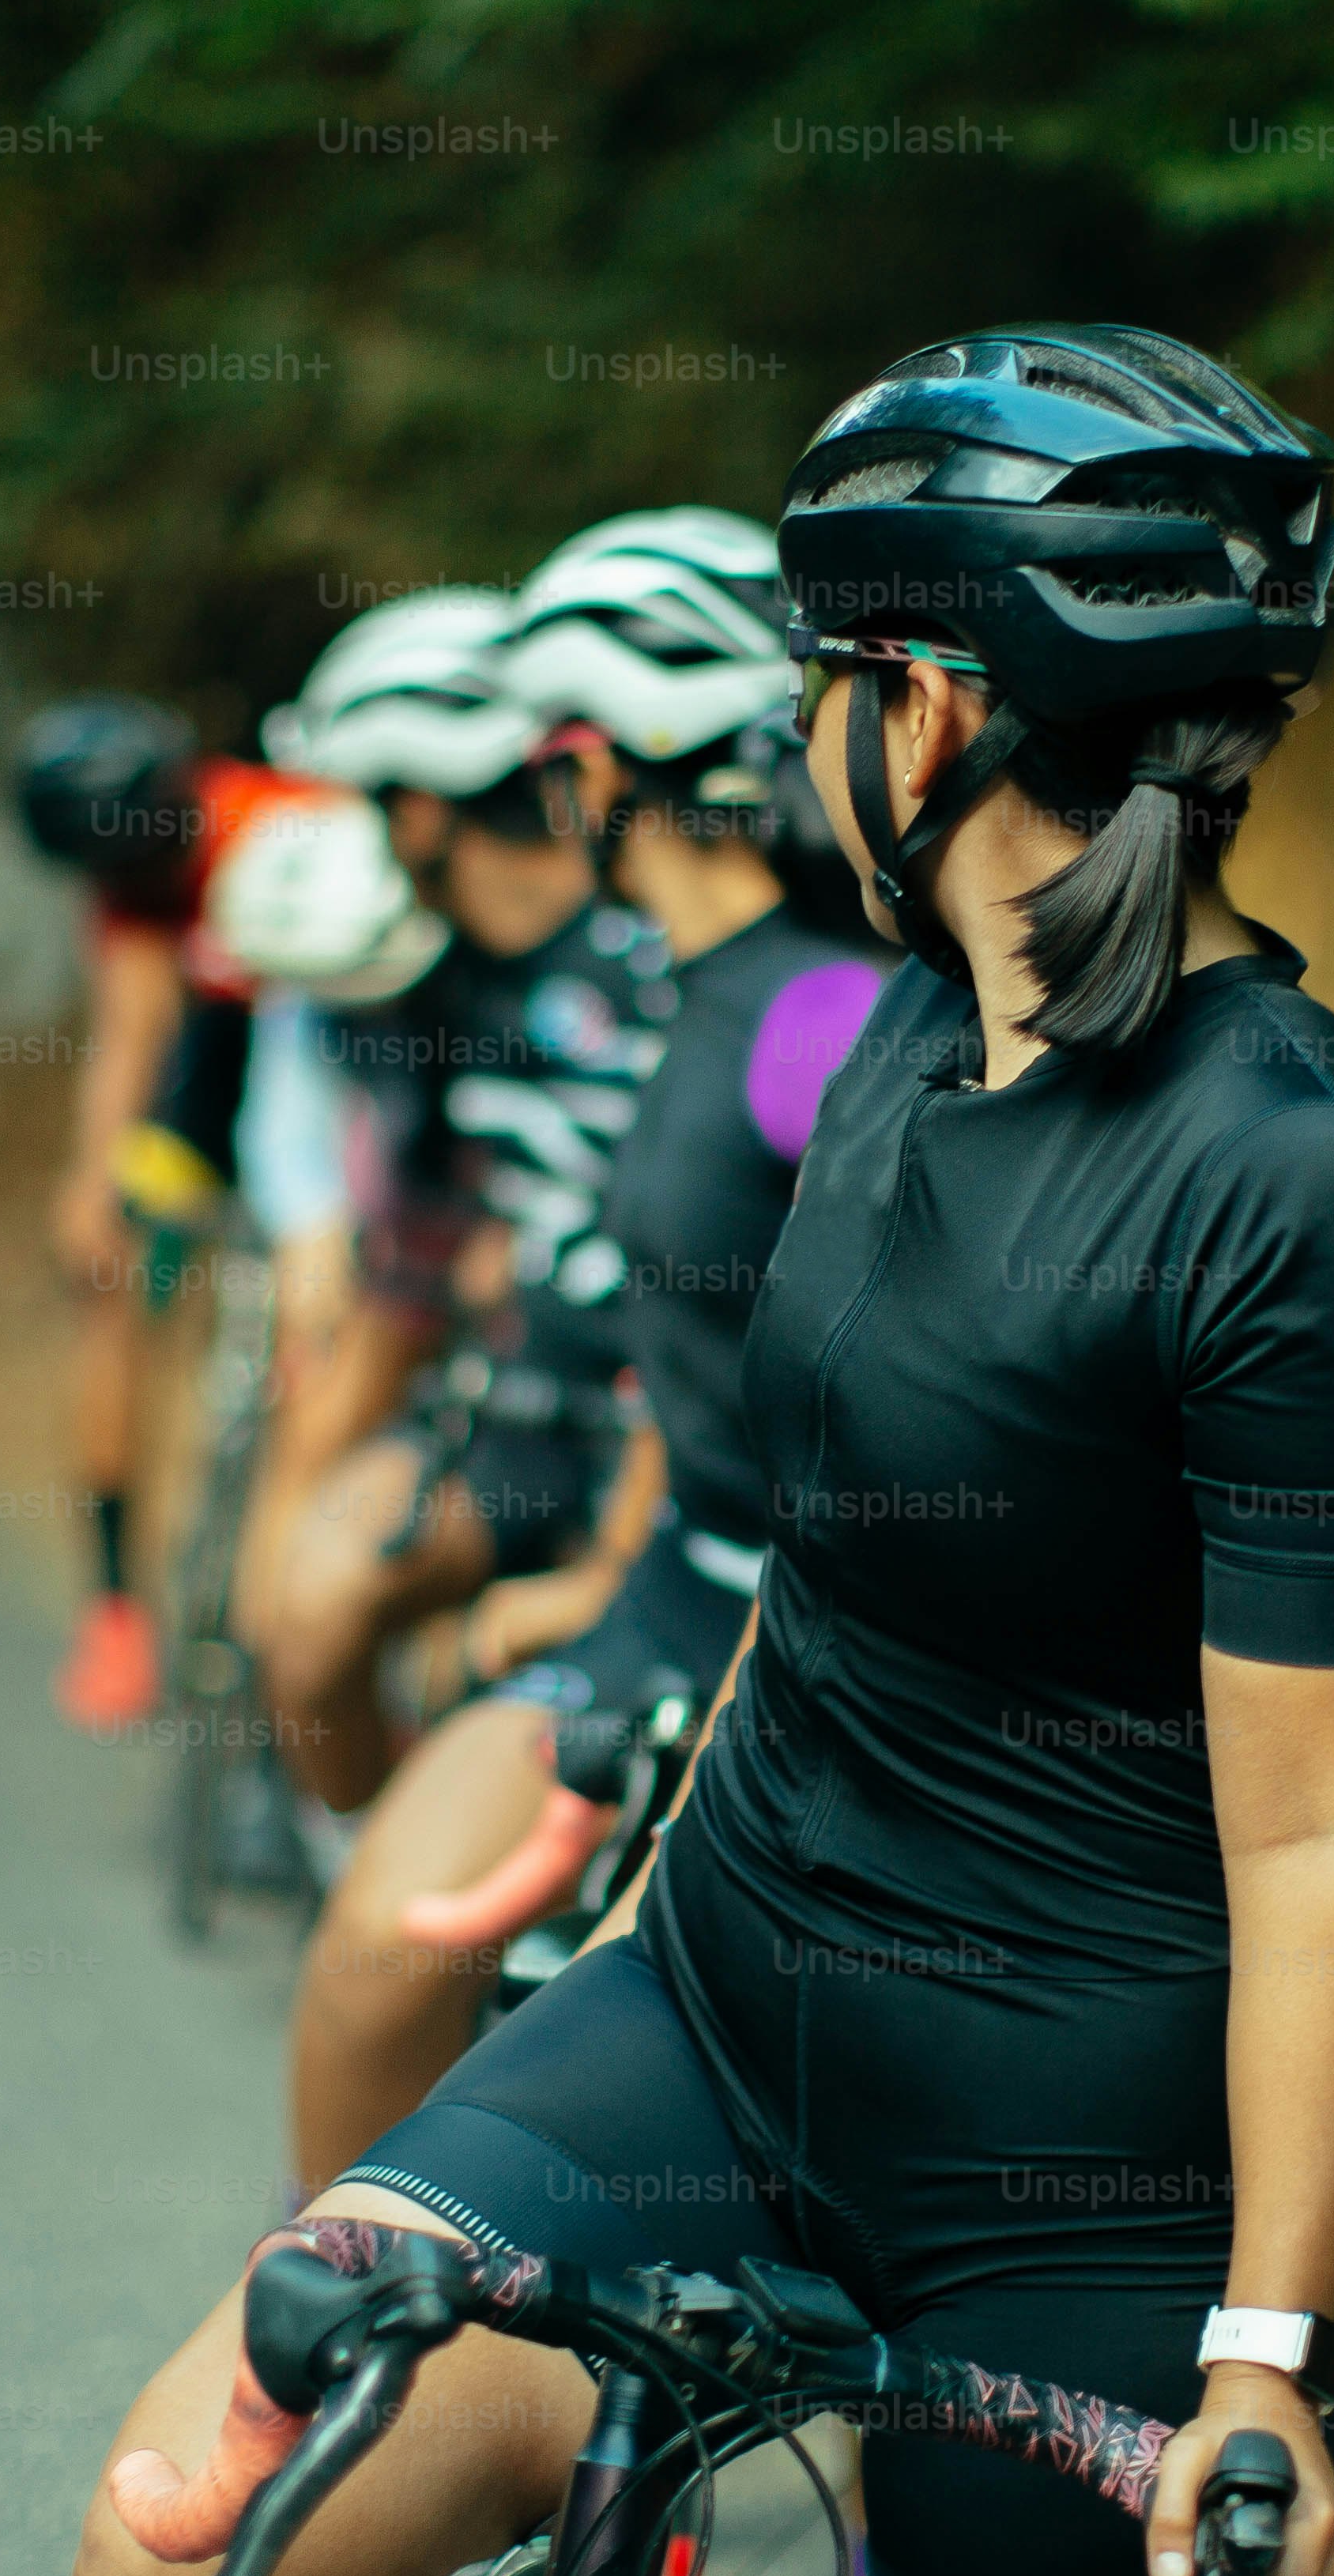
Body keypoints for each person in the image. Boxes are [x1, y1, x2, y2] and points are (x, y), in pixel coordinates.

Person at [46, 324, 1334, 2576]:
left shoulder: (1290, 1187)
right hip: (705, 2015)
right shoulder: (914, 1036)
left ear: (921, 711)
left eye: (829, 678)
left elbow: (1331, 1830)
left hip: (1066, 2187)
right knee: (179, 2547)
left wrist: (1269, 2361)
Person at [279, 507, 887, 2190]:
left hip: (803, 1643)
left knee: (575, 2082)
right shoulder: (686, 987)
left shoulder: (820, 1014)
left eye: (555, 755)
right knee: (368, 1965)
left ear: (595, 762)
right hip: (666, 1601)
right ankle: (330, 2358)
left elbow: (919, 1382)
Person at [249, 597, 676, 1827]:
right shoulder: (424, 983)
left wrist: (609, 1562)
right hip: (501, 1428)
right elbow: (421, 1245)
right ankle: (377, 1870)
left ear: (422, 806)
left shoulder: (650, 952)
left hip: (659, 1449)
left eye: (371, 806)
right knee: (311, 1609)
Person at [27, 700, 409, 1730]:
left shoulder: (270, 814)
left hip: (328, 1034)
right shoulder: (130, 877)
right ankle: (116, 1606)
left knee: (336, 1289)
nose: (135, 881)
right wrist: (94, 1181)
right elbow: (135, 1023)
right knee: (111, 1284)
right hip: (208, 1062)